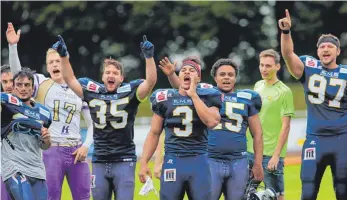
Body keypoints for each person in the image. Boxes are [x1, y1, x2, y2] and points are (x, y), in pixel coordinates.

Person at [59, 34, 157, 200]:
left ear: (121, 78)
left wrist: (149, 57)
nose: (111, 75)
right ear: (103, 77)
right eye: (107, 72)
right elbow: (69, 79)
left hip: (124, 159)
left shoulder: (130, 92)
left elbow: (150, 82)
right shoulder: (92, 91)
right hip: (99, 159)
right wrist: (64, 57)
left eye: (115, 73)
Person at [155, 57, 264, 200]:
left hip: (238, 159)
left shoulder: (248, 97)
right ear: (215, 78)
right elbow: (182, 85)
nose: (226, 78)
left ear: (236, 78)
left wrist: (258, 164)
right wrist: (171, 75)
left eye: (230, 75)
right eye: (222, 74)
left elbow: (258, 134)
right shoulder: (205, 93)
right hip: (211, 158)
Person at [7, 22, 94, 200]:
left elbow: (94, 122)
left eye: (57, 61)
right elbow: (18, 76)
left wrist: (86, 145)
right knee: (52, 196)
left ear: (65, 63)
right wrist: (13, 46)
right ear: (47, 67)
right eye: (50, 62)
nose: (54, 65)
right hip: (51, 149)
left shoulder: (78, 87)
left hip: (76, 148)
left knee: (83, 195)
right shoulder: (42, 82)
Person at [279, 9, 347, 200]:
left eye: (330, 46)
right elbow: (288, 55)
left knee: (343, 190)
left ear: (338, 51)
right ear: (317, 51)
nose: (325, 49)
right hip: (315, 138)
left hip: (343, 138)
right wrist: (286, 32)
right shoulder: (309, 67)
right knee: (308, 191)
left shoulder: (345, 73)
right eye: (322, 46)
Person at [139, 56, 222, 200]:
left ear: (198, 77)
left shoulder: (208, 95)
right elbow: (154, 133)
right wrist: (144, 162)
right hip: (173, 160)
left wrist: (194, 96)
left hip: (199, 160)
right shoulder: (165, 98)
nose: (187, 72)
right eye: (183, 70)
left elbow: (212, 121)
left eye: (192, 70)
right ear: (179, 75)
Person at [246, 49, 295, 200]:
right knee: (248, 194)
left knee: (275, 195)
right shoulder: (258, 86)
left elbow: (286, 126)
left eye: (268, 66)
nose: (264, 69)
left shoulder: (284, 91)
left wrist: (276, 156)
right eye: (261, 65)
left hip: (270, 154)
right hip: (251, 151)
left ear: (277, 67)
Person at [1, 68, 52, 200]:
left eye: (27, 85)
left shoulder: (44, 113)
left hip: (36, 169)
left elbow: (44, 146)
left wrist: (46, 140)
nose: (23, 88)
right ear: (13, 87)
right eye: (19, 85)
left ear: (32, 88)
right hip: (14, 167)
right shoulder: (6, 104)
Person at [1, 64, 14, 200]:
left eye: (11, 81)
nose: (8, 85)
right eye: (4, 82)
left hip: (25, 168)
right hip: (3, 168)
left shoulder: (29, 104)